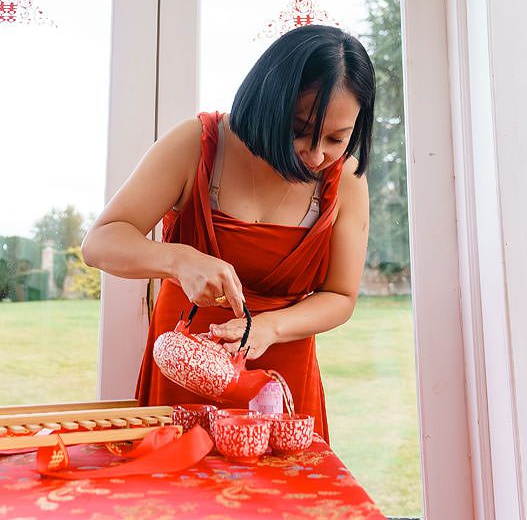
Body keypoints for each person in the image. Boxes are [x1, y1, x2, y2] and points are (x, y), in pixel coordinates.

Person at [81, 24, 374, 442]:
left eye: (336, 138)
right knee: (178, 499)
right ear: (267, 101)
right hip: (183, 370)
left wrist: (270, 328)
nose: (315, 154)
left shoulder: (345, 180)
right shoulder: (198, 144)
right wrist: (179, 259)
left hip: (281, 380)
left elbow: (340, 297)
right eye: (298, 129)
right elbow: (101, 241)